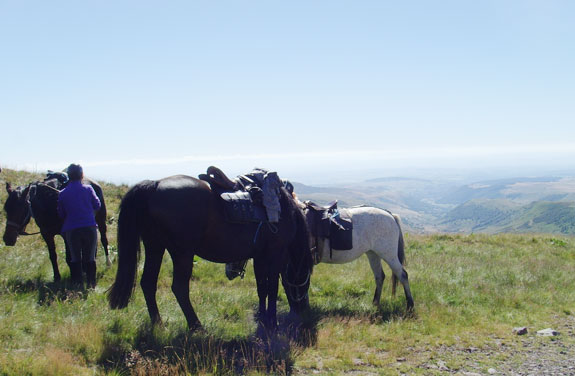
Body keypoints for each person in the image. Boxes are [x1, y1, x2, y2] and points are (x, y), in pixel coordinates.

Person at [57, 164, 101, 288]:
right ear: (82, 175)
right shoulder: (89, 189)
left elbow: (61, 213)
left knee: (75, 258)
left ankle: (77, 284)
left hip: (71, 229)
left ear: (69, 176)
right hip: (90, 227)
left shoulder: (62, 193)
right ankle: (91, 285)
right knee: (90, 257)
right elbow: (97, 205)